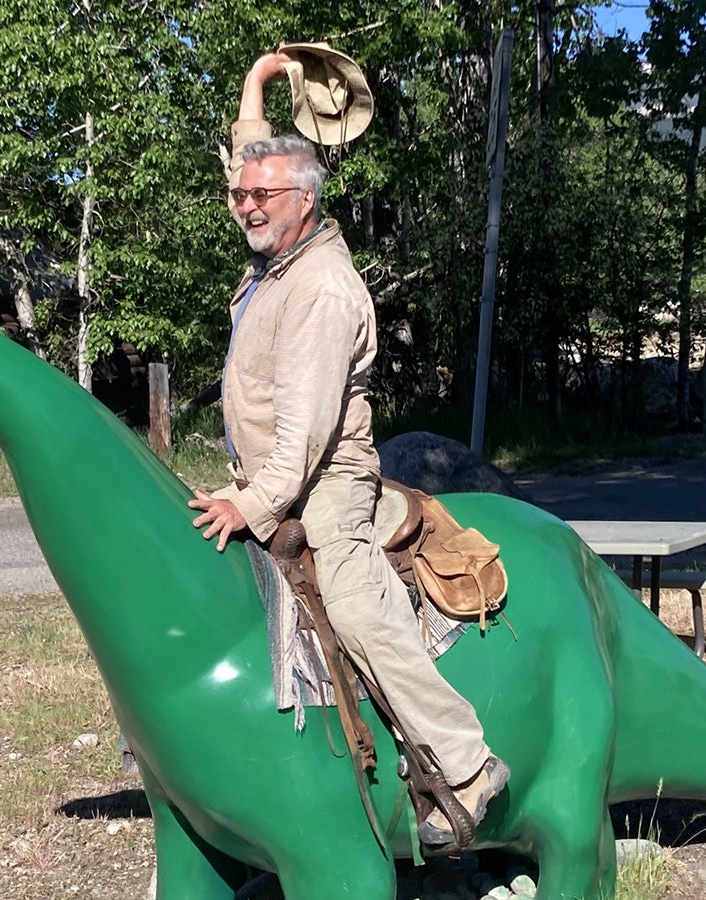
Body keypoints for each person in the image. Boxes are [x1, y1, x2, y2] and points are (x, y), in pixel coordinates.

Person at [187, 50, 507, 846]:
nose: (245, 205)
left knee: (356, 601)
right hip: (269, 469)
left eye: (261, 195)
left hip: (326, 477)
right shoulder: (279, 252)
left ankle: (466, 764)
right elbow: (252, 152)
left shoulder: (322, 288)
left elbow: (304, 435)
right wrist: (258, 79)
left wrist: (254, 502)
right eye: (238, 192)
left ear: (304, 198)